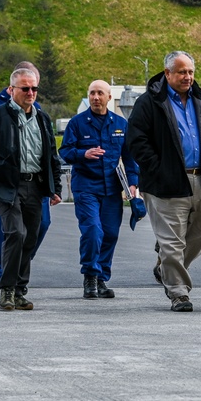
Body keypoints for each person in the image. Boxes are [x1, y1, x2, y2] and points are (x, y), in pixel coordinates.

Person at [125, 51, 201, 312]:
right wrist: (159, 169)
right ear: (167, 73)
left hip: (200, 180)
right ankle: (179, 292)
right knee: (172, 242)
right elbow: (137, 140)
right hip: (165, 185)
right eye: (182, 72)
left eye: (191, 72)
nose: (188, 77)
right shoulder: (149, 103)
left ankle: (166, 268)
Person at [0, 68, 63, 311]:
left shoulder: (42, 118)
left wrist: (54, 186)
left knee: (30, 237)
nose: (31, 93)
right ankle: (6, 290)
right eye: (25, 88)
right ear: (12, 89)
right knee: (15, 233)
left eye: (34, 88)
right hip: (6, 187)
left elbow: (51, 156)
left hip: (35, 186)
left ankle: (19, 290)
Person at [59, 80, 139, 299]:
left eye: (100, 93)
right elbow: (64, 151)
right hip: (86, 186)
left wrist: (132, 183)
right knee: (93, 230)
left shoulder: (120, 124)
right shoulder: (77, 123)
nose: (96, 97)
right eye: (92, 93)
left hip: (112, 189)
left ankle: (102, 278)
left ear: (109, 97)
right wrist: (82, 154)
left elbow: (129, 157)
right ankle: (90, 276)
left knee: (111, 234)